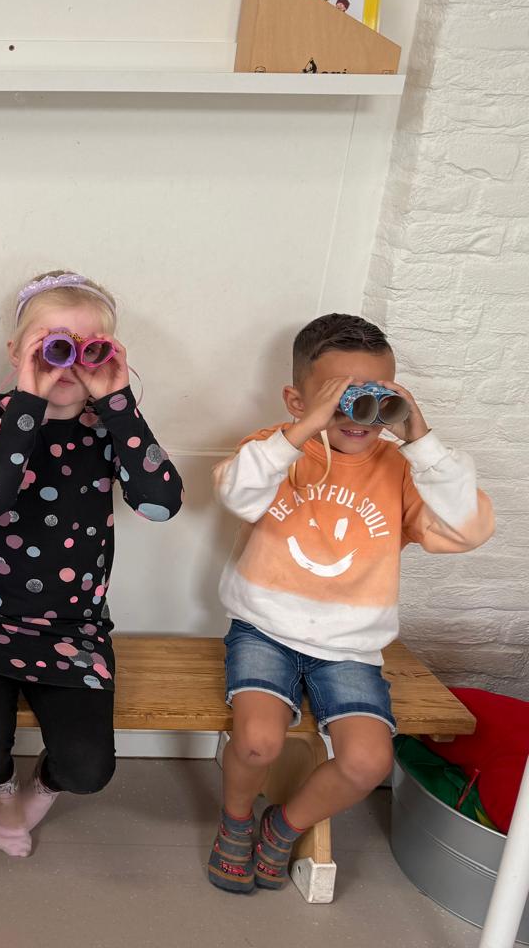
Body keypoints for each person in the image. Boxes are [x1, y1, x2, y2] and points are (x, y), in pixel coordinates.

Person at [207, 312, 494, 893]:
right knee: (258, 741)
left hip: (352, 647)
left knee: (368, 762)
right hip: (265, 630)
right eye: (341, 398)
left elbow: (467, 530)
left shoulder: (401, 471)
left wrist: (420, 440)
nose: (359, 415)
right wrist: (302, 430)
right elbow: (238, 494)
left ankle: (285, 826)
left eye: (376, 399)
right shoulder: (273, 450)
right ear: (297, 400)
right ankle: (235, 818)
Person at [0, 270, 182, 857]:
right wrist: (30, 397)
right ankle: (0, 789)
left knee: (88, 767)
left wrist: (118, 402)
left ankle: (40, 790)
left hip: (75, 628)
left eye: (87, 349)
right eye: (52, 347)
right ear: (16, 353)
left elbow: (161, 503)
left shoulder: (109, 425)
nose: (67, 364)